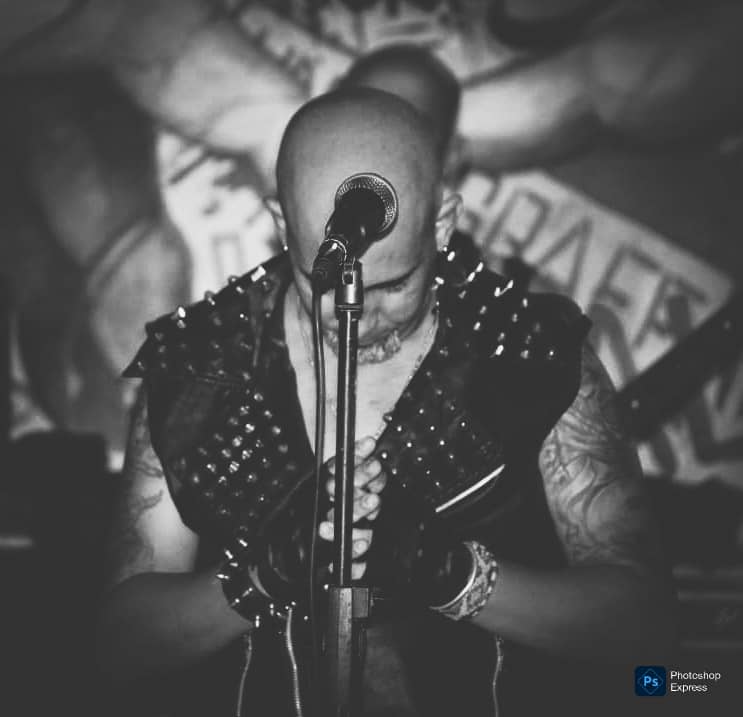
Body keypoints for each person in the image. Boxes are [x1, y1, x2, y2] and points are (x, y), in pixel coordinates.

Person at [97, 88, 676, 716]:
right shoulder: (199, 369)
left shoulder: (530, 353)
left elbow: (642, 627)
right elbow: (118, 647)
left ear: (443, 223)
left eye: (396, 283)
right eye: (326, 283)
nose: (362, 314)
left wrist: (452, 575)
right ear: (282, 225)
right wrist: (263, 576)